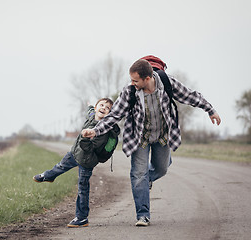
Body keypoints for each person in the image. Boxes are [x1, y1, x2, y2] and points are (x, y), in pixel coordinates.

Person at [81, 56, 221, 227]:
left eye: (135, 80)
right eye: (131, 79)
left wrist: (210, 110)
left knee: (161, 168)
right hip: (139, 137)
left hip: (162, 135)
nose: (132, 83)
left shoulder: (167, 83)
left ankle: (148, 178)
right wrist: (95, 130)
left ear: (148, 78)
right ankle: (143, 215)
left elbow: (191, 96)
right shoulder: (130, 91)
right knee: (138, 174)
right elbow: (114, 115)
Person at [33, 98, 120, 228]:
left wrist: (85, 138)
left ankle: (82, 218)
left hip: (87, 161)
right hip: (74, 153)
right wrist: (89, 105)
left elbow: (90, 148)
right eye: (101, 105)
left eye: (107, 108)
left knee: (82, 188)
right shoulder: (92, 116)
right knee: (60, 166)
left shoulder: (103, 131)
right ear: (96, 108)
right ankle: (48, 176)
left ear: (110, 115)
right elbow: (89, 112)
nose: (103, 108)